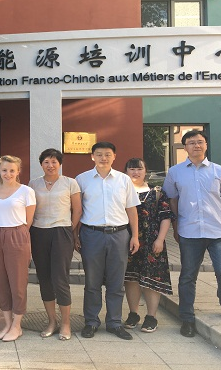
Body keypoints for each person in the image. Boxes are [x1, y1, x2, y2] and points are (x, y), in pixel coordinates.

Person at [162, 129, 221, 338]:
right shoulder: (175, 172)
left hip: (219, 232)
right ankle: (187, 318)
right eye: (191, 142)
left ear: (206, 145)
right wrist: (176, 227)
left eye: (200, 142)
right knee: (188, 276)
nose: (196, 145)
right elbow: (172, 201)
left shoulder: (220, 171)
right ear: (185, 147)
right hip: (189, 232)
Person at [75, 142, 140, 341]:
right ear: (92, 156)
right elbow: (76, 210)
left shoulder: (124, 180)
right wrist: (75, 235)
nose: (103, 158)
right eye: (99, 154)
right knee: (92, 281)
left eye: (107, 154)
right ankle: (91, 322)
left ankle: (114, 322)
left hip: (119, 235)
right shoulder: (82, 179)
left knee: (116, 282)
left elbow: (131, 209)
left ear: (114, 156)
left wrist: (135, 236)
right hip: (91, 234)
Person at [28, 148, 82, 341]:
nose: (50, 165)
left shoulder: (70, 183)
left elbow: (77, 210)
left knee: (60, 278)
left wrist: (69, 229)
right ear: (41, 164)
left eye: (54, 162)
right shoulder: (33, 184)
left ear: (60, 164)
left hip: (62, 232)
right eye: (46, 162)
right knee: (44, 278)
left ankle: (65, 323)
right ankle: (52, 321)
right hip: (38, 232)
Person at [0, 155, 36, 342]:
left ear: (18, 171)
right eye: (4, 170)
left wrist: (16, 234)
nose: (8, 174)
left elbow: (29, 220)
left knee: (18, 282)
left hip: (17, 234)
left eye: (12, 170)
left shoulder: (26, 191)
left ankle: (17, 325)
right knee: (0, 281)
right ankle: (7, 323)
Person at [122, 158, 173, 334]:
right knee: (130, 278)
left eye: (139, 169)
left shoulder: (156, 192)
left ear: (146, 171)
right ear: (125, 172)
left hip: (152, 241)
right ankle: (133, 314)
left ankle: (151, 316)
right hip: (127, 240)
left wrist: (160, 239)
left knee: (152, 279)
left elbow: (165, 217)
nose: (135, 172)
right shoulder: (121, 191)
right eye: (132, 169)